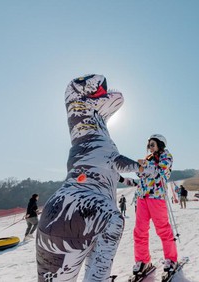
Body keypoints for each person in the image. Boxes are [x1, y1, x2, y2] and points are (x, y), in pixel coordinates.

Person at [36, 74, 143, 281]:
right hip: (86, 208)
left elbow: (107, 170)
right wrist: (143, 167)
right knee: (113, 220)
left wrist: (127, 181)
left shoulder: (79, 147)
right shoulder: (97, 140)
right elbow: (117, 161)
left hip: (52, 213)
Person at [133, 134, 178, 276]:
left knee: (163, 229)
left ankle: (171, 259)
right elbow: (139, 174)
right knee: (140, 230)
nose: (150, 147)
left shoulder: (166, 156)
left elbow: (161, 172)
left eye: (153, 144)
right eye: (149, 144)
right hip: (142, 196)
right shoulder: (148, 158)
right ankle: (142, 260)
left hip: (156, 196)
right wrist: (140, 167)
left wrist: (144, 166)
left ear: (160, 144)